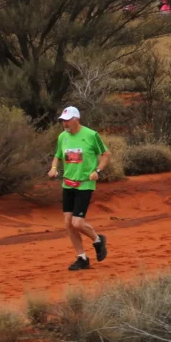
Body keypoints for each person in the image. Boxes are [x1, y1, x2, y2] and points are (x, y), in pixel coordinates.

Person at [48, 107, 110, 271]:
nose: (64, 123)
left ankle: (98, 240)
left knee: (77, 222)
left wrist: (97, 171)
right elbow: (57, 156)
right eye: (63, 120)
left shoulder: (91, 135)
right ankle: (82, 257)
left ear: (77, 119)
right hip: (68, 183)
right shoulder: (63, 137)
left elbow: (106, 154)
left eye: (67, 120)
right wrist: (54, 167)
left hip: (85, 184)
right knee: (68, 224)